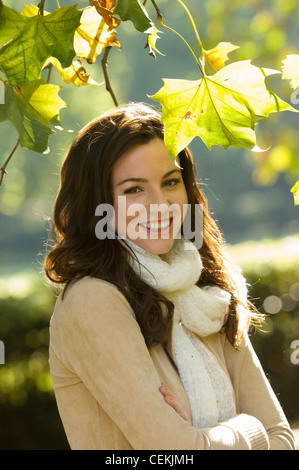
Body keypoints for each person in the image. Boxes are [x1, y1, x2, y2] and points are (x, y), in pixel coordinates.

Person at [45, 102, 295, 450]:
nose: (160, 204)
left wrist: (207, 437)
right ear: (96, 203)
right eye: (134, 189)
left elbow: (283, 438)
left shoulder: (205, 293)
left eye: (170, 182)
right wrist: (250, 427)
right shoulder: (93, 300)